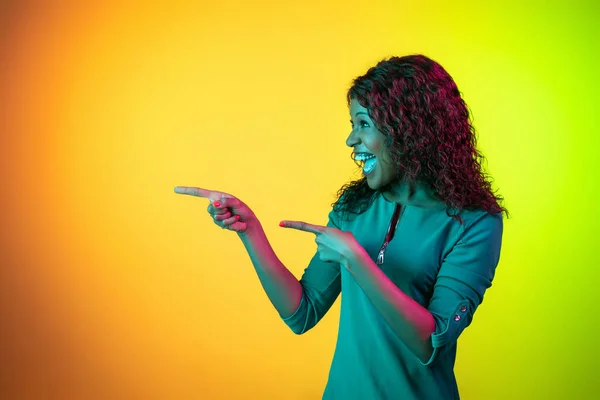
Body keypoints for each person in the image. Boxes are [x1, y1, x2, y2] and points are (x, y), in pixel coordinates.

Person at [175, 54, 507, 400]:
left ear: (409, 129)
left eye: (363, 124)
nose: (351, 140)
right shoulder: (355, 207)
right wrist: (250, 231)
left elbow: (430, 343)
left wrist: (357, 260)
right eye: (353, 125)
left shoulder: (474, 223)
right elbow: (302, 313)